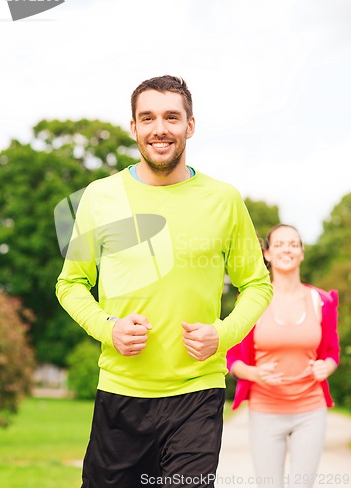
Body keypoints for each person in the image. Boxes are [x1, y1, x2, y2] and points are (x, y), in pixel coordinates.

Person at [56, 75, 273, 488]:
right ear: (134, 127)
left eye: (172, 117)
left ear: (190, 125)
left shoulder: (224, 199)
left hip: (197, 394)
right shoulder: (100, 197)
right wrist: (109, 328)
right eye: (148, 118)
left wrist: (222, 334)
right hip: (121, 393)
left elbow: (257, 285)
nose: (160, 128)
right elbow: (71, 284)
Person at [227, 224, 340, 488]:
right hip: (265, 410)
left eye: (293, 244)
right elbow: (231, 357)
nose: (286, 249)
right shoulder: (252, 300)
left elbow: (333, 351)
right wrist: (253, 373)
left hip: (310, 410)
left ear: (301, 252)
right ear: (266, 253)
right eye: (279, 244)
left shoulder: (321, 301)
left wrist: (328, 366)